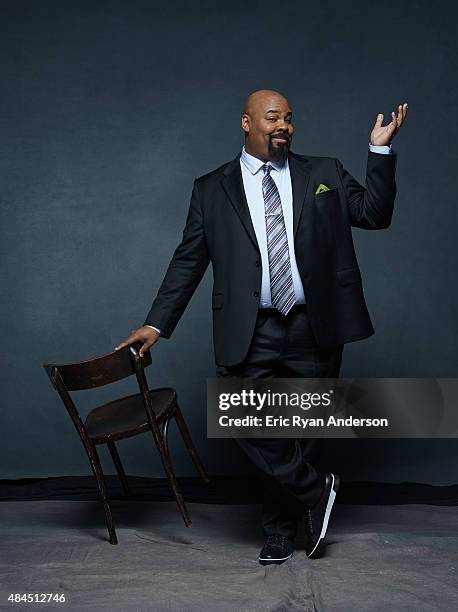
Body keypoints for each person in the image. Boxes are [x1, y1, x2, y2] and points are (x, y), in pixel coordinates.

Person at [115, 90, 407, 565]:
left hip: (315, 324)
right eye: (273, 117)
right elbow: (188, 261)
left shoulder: (325, 172)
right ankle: (316, 493)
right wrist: (156, 325)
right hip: (249, 328)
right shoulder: (212, 188)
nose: (284, 126)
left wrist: (379, 151)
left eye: (290, 119)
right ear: (246, 123)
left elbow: (375, 214)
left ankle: (282, 530)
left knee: (304, 431)